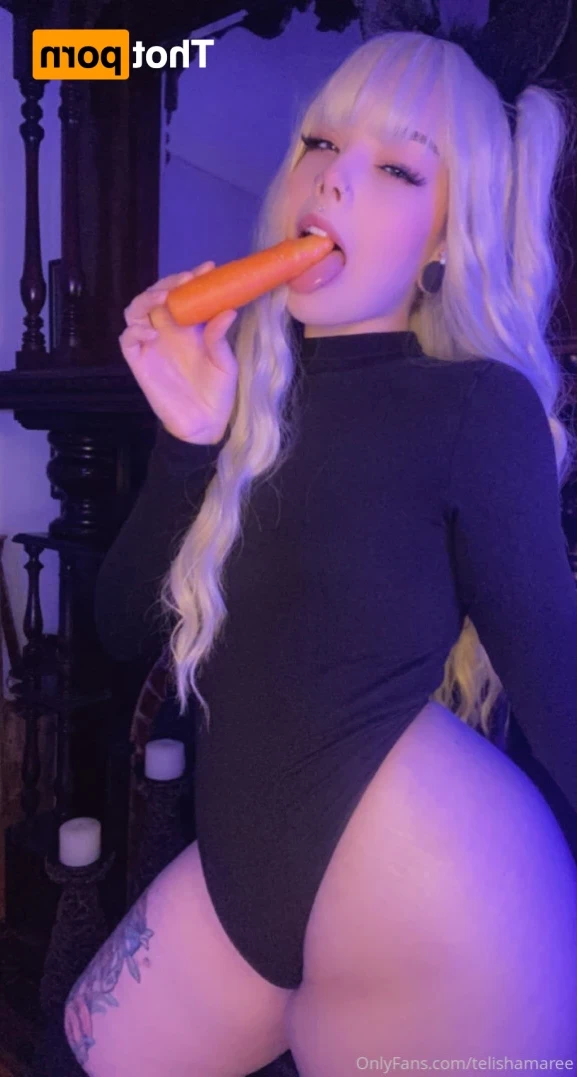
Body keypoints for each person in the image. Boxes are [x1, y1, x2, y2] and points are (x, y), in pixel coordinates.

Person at [64, 30, 577, 1076]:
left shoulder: (473, 409)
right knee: (72, 1048)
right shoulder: (241, 394)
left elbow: (561, 696)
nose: (334, 177)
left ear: (445, 238)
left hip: (436, 918)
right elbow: (116, 632)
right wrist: (186, 442)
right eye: (321, 143)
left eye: (398, 170)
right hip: (242, 886)